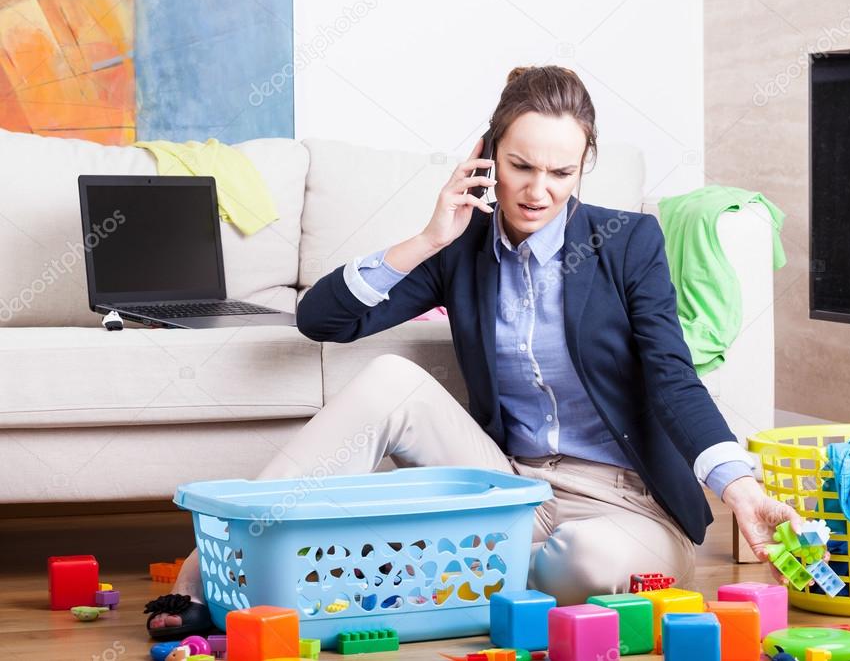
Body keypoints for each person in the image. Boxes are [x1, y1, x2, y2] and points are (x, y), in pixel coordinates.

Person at [145, 65, 800, 640]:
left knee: (586, 563)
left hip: (621, 504)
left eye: (560, 172)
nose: (538, 190)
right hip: (509, 486)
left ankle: (401, 572)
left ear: (582, 167)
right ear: (487, 155)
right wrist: (429, 237)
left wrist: (738, 489)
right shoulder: (461, 249)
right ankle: (214, 572)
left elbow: (672, 378)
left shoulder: (627, 242)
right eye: (521, 166)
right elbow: (321, 318)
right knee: (387, 381)